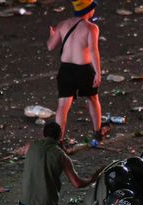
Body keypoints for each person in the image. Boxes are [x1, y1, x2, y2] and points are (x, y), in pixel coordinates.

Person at [47, 0, 110, 146]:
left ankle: (59, 141)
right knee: (93, 99)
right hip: (84, 69)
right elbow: (94, 51)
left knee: (63, 106)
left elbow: (50, 46)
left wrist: (52, 34)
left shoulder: (63, 24)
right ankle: (97, 133)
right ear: (89, 10)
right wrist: (98, 73)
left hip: (66, 69)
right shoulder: (91, 28)